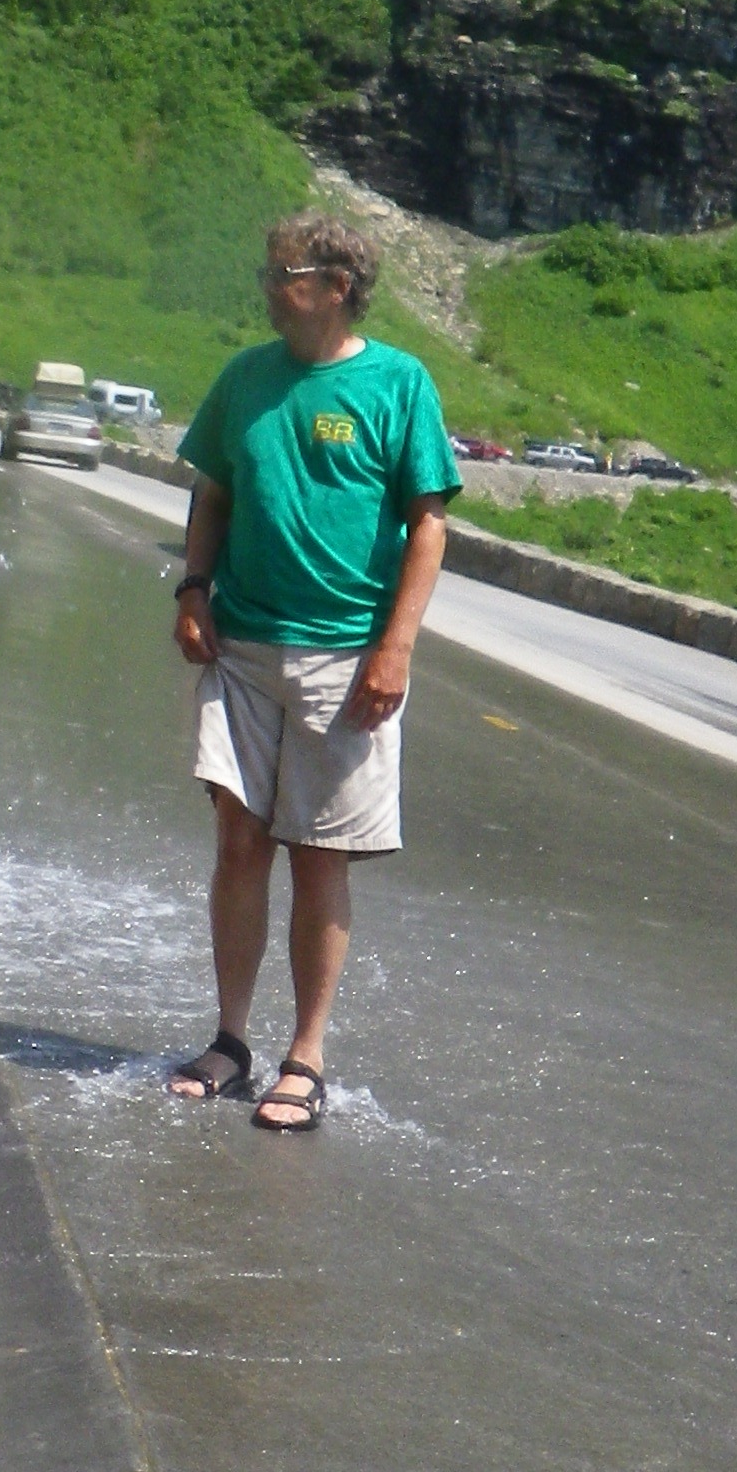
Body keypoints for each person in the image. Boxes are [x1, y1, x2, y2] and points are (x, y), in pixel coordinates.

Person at [162, 213, 456, 1134]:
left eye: (283, 271)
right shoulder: (245, 377)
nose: (267, 284)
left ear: (336, 284)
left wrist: (395, 648)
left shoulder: (398, 382)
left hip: (347, 655)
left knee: (320, 853)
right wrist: (194, 587)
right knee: (239, 841)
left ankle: (306, 1056)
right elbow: (213, 493)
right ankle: (230, 1040)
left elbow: (430, 525)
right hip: (244, 646)